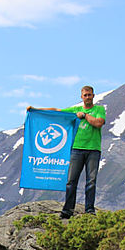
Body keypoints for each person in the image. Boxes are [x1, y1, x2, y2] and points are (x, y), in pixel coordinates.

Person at [38, 86, 106, 218]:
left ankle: (89, 210)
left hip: (93, 150)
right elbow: (57, 112)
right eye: (85, 95)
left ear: (93, 96)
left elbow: (98, 123)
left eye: (89, 95)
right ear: (81, 97)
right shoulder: (75, 110)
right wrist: (36, 110)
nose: (87, 97)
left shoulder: (99, 109)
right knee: (71, 181)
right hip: (76, 149)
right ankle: (67, 210)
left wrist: (85, 116)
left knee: (91, 181)